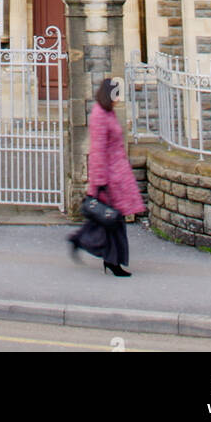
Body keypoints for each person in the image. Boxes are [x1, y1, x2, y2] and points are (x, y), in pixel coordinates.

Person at [69, 77, 145, 276]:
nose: (119, 99)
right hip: (109, 178)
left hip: (117, 175)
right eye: (116, 94)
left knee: (110, 219)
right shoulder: (100, 116)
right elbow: (98, 151)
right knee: (112, 219)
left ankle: (86, 244)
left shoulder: (108, 112)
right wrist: (99, 182)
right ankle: (112, 261)